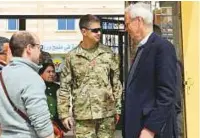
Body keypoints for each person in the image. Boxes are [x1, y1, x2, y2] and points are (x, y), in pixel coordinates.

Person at [57, 14, 122, 138]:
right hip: (83, 116)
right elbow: (64, 87)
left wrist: (118, 109)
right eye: (95, 30)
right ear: (84, 31)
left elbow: (116, 84)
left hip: (106, 114)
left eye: (100, 30)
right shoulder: (72, 56)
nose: (99, 33)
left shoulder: (108, 54)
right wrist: (64, 114)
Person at [123, 3, 177, 138]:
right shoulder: (143, 48)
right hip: (138, 127)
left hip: (151, 131)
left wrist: (150, 129)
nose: (126, 28)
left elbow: (167, 94)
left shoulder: (162, 48)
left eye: (127, 23)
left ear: (139, 21)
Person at [0, 31, 54, 138]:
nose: (40, 52)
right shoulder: (32, 78)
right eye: (38, 47)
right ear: (29, 48)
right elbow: (42, 125)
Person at [39, 63, 68, 138]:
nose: (51, 74)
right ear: (41, 73)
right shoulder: (36, 87)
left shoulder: (58, 88)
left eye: (53, 71)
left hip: (57, 126)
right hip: (42, 126)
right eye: (48, 72)